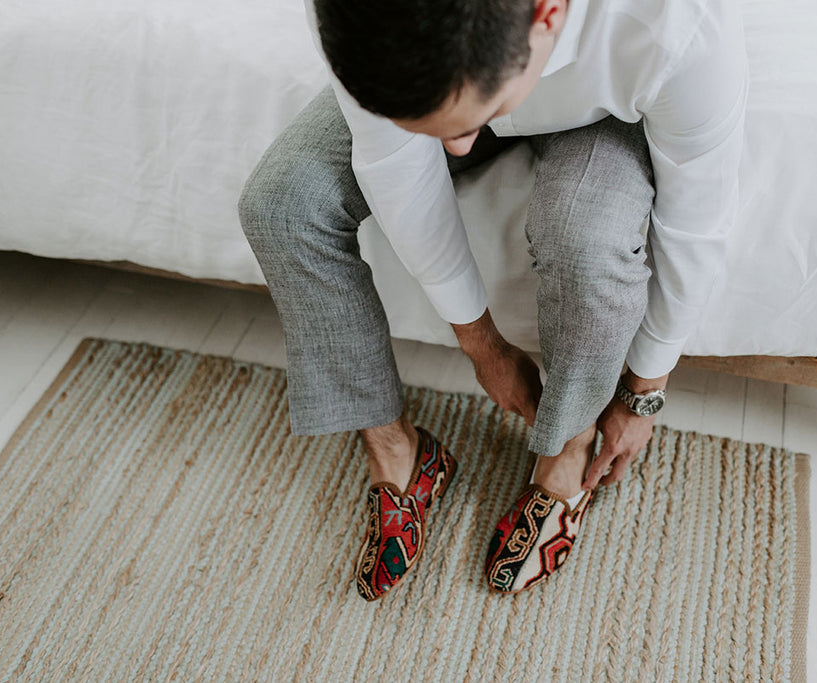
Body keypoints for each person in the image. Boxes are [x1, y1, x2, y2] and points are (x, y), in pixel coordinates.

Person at [238, 0, 747, 600]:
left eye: (468, 126)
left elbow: (697, 224)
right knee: (282, 207)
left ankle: (569, 447)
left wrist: (642, 395)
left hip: (609, 103)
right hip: (452, 56)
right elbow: (396, 165)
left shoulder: (676, 30)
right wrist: (481, 343)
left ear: (547, 15)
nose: (456, 152)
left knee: (585, 242)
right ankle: (398, 449)